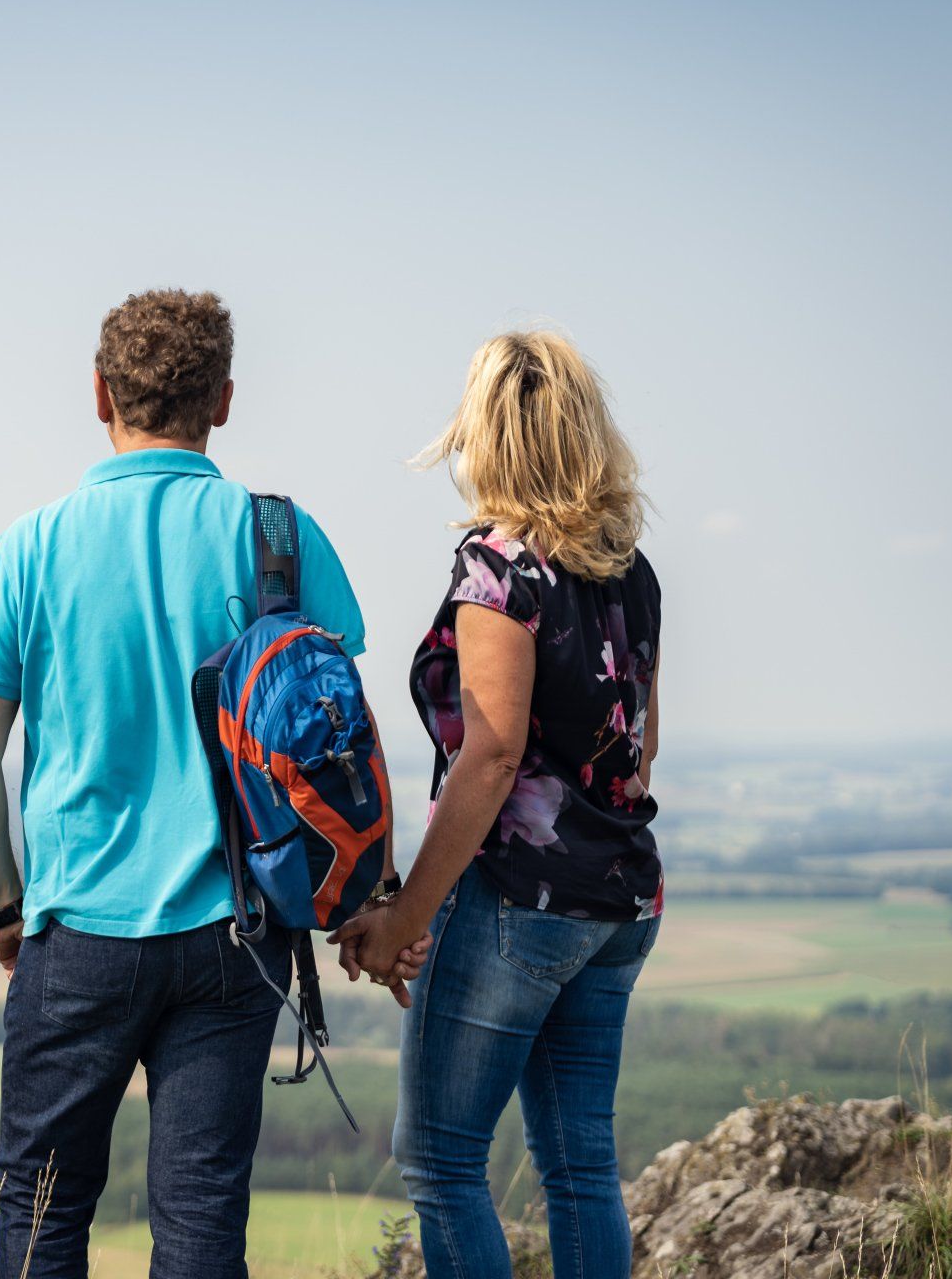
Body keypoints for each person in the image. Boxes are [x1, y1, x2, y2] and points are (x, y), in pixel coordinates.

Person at [0, 289, 398, 1279]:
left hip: (75, 935)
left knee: (43, 1212)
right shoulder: (279, 536)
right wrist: (374, 893)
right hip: (234, 936)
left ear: (98, 391)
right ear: (224, 399)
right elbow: (343, 735)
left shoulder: (29, 546)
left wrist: (3, 910)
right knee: (200, 1227)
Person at [329, 330, 663, 1279]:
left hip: (521, 903)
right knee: (581, 1167)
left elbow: (492, 757)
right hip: (619, 902)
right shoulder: (629, 574)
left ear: (488, 434)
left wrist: (405, 915)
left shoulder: (499, 572)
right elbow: (639, 750)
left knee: (438, 1158)